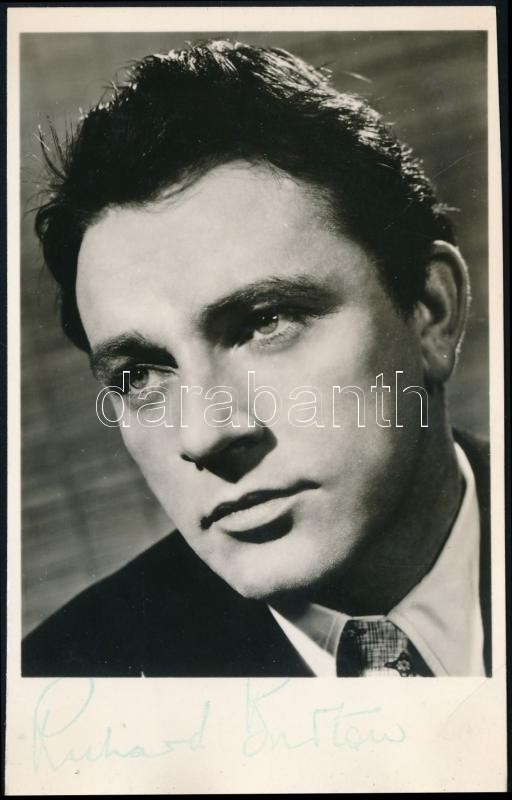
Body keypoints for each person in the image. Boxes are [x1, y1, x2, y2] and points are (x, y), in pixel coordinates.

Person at [22, 40, 491, 678]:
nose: (204, 435)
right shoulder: (58, 683)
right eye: (139, 375)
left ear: (432, 311)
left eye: (266, 322)